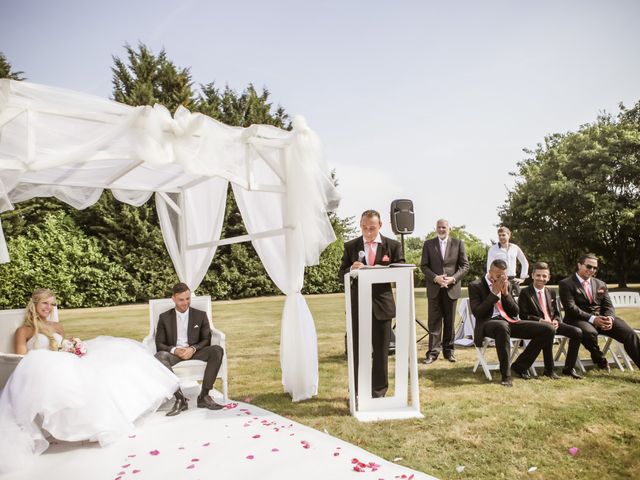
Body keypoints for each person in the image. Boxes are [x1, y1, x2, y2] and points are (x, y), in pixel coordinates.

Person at [0, 289, 179, 474]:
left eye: (52, 304)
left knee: (114, 362)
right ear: (34, 304)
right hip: (40, 367)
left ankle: (103, 423)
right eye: (45, 303)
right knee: (77, 378)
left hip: (64, 361)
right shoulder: (25, 330)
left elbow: (62, 346)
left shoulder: (57, 326)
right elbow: (21, 358)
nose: (49, 307)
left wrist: (73, 348)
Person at [338, 209, 404, 398]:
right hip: (358, 305)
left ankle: (379, 392)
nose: (368, 232)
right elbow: (340, 273)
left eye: (372, 228)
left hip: (382, 306)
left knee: (382, 352)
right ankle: (358, 391)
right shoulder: (351, 246)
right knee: (358, 350)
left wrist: (379, 270)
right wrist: (351, 268)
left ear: (380, 226)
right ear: (360, 226)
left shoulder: (392, 245)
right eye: (364, 228)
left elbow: (401, 268)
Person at [468, 259, 555, 386]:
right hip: (488, 323)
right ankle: (506, 375)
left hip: (509, 322)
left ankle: (520, 365)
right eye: (498, 276)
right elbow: (478, 313)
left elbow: (515, 312)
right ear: (490, 272)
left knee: (548, 329)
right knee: (502, 326)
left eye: (504, 276)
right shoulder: (476, 285)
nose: (502, 279)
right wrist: (493, 294)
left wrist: (506, 294)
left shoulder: (506, 283)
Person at [558, 253, 640, 371]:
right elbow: (571, 308)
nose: (592, 270)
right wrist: (593, 319)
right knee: (590, 332)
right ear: (579, 265)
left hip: (601, 319)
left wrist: (609, 319)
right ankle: (600, 360)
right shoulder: (566, 283)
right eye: (589, 266)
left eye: (595, 268)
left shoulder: (601, 284)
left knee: (629, 333)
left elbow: (608, 306)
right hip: (577, 319)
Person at [155, 282, 225, 415]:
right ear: (173, 299)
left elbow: (206, 339)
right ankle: (180, 399)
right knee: (160, 356)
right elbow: (160, 343)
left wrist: (192, 349)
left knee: (217, 350)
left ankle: (204, 396)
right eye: (181, 300)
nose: (185, 302)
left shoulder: (200, 315)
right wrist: (175, 350)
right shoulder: (164, 318)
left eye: (188, 299)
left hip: (196, 351)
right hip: (175, 354)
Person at [518, 262, 583, 379]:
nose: (541, 278)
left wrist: (557, 320)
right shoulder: (525, 292)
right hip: (537, 326)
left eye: (544, 276)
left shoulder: (551, 292)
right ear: (532, 275)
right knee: (548, 331)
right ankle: (549, 370)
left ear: (548, 277)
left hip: (553, 324)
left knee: (577, 332)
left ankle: (569, 368)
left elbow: (556, 312)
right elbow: (523, 315)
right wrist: (541, 321)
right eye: (538, 275)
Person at [420, 219, 469, 364]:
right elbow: (424, 266)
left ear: (449, 228)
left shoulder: (458, 243)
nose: (441, 229)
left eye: (444, 227)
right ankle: (432, 353)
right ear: (436, 228)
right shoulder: (428, 244)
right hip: (434, 288)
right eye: (439, 227)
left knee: (449, 322)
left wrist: (452, 279)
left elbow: (465, 266)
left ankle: (449, 352)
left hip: (451, 288)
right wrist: (436, 278)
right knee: (434, 323)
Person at [486, 226, 529, 297]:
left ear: (509, 235)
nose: (501, 237)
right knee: (501, 304)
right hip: (499, 280)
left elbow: (524, 262)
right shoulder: (493, 249)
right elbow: (489, 266)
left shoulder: (515, 248)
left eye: (503, 235)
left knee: (516, 303)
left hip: (513, 280)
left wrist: (522, 278)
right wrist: (491, 279)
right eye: (499, 235)